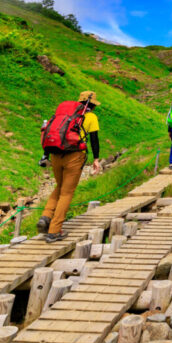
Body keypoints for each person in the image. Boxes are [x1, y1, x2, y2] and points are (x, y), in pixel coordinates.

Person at [37, 91, 101, 242]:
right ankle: (54, 231)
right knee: (66, 193)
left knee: (59, 187)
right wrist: (96, 159)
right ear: (92, 105)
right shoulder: (91, 117)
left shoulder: (66, 115)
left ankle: (46, 217)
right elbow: (94, 140)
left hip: (56, 153)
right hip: (75, 156)